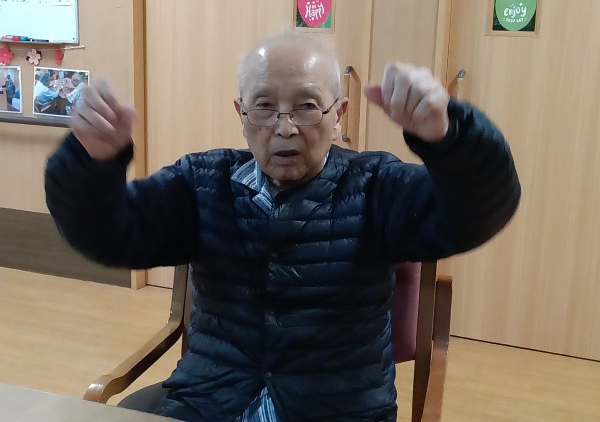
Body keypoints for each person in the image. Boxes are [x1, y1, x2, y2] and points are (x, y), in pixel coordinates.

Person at [45, 33, 520, 422]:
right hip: (210, 402)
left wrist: (451, 138)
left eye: (307, 106)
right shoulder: (201, 182)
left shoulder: (377, 185)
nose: (285, 127)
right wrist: (93, 164)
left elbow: (478, 212)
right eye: (265, 107)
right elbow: (108, 235)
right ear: (241, 115)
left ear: (338, 115)